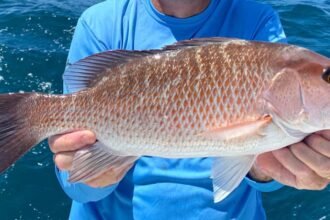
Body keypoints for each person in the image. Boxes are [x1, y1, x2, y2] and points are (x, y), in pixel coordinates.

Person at [49, 0, 330, 219]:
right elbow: (76, 186)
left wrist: (269, 168)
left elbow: (261, 165)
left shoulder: (258, 19)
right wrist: (91, 176)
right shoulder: (100, 23)